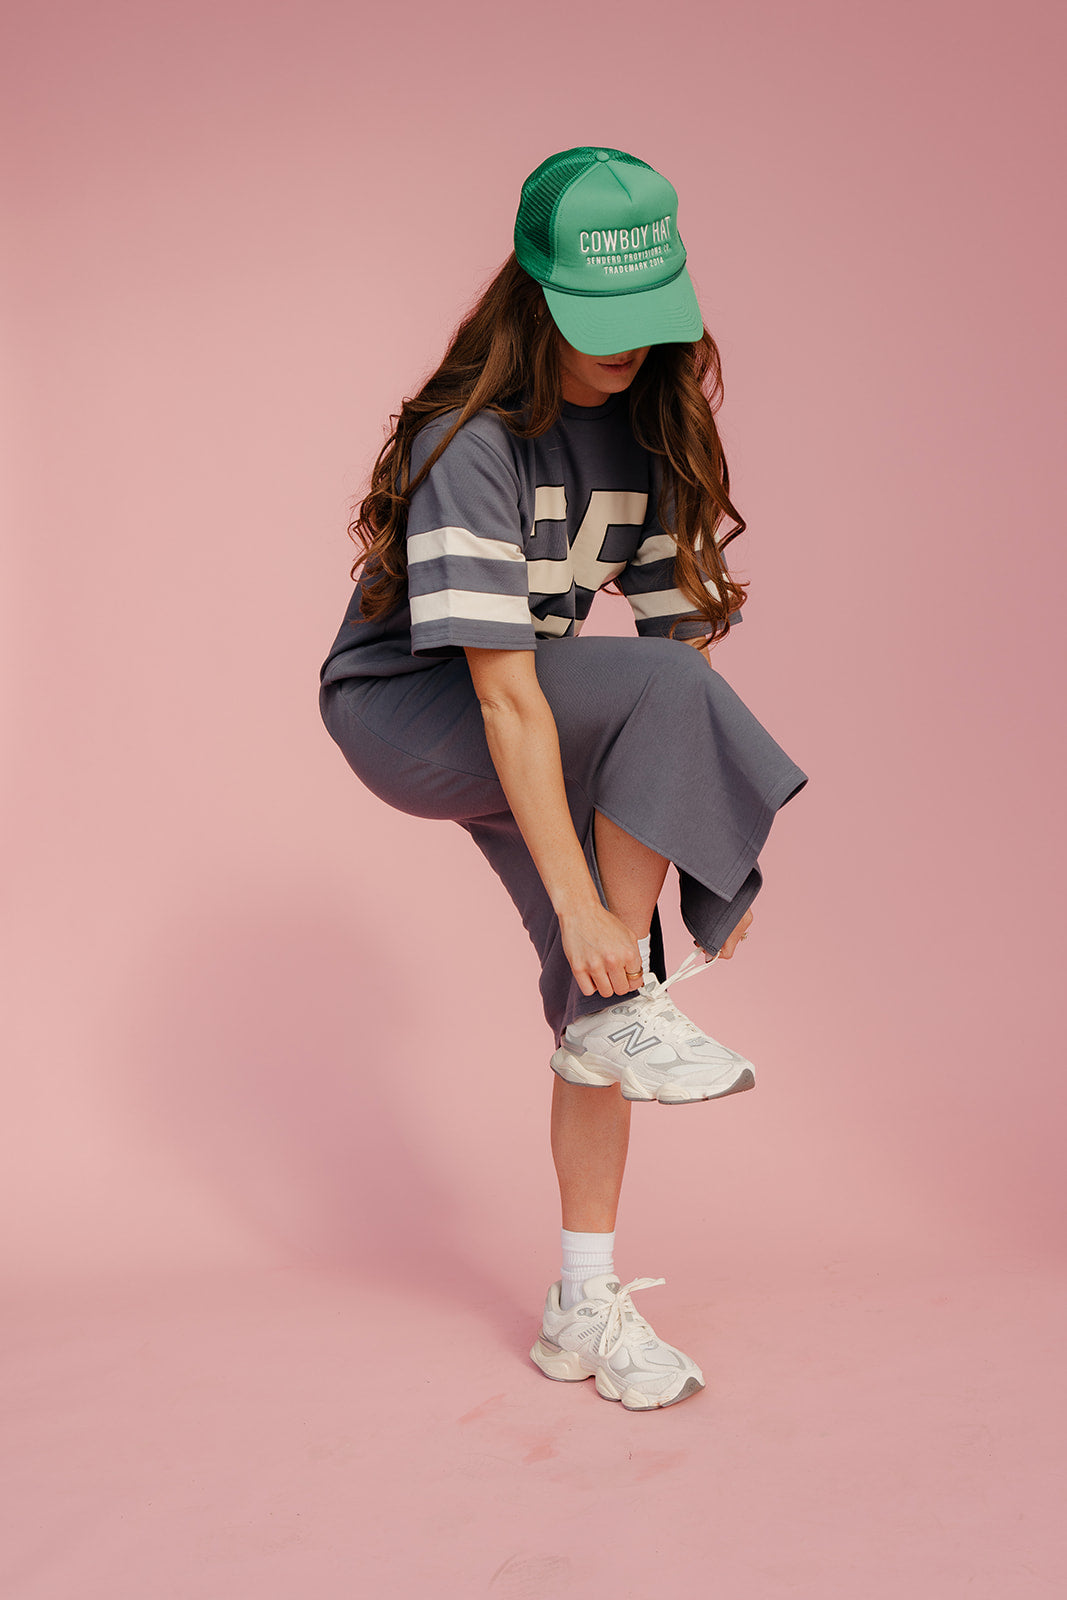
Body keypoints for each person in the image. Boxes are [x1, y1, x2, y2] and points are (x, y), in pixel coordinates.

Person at [319, 146, 807, 1411]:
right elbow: (508, 693)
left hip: (546, 715)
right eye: (598, 324)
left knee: (597, 1018)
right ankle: (619, 984)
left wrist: (687, 853)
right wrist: (618, 899)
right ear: (532, 293)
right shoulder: (466, 440)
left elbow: (675, 647)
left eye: (648, 325)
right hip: (413, 710)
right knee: (613, 934)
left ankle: (579, 1305)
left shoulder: (652, 429)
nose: (625, 351)